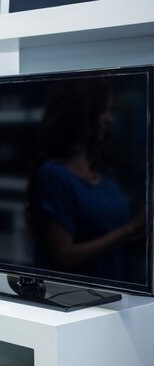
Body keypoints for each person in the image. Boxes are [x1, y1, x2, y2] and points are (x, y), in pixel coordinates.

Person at [27, 77, 145, 281]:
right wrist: (129, 229)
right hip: (78, 301)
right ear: (79, 112)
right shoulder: (54, 175)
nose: (109, 119)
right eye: (102, 110)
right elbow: (65, 256)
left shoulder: (106, 174)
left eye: (110, 111)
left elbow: (115, 240)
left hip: (119, 299)